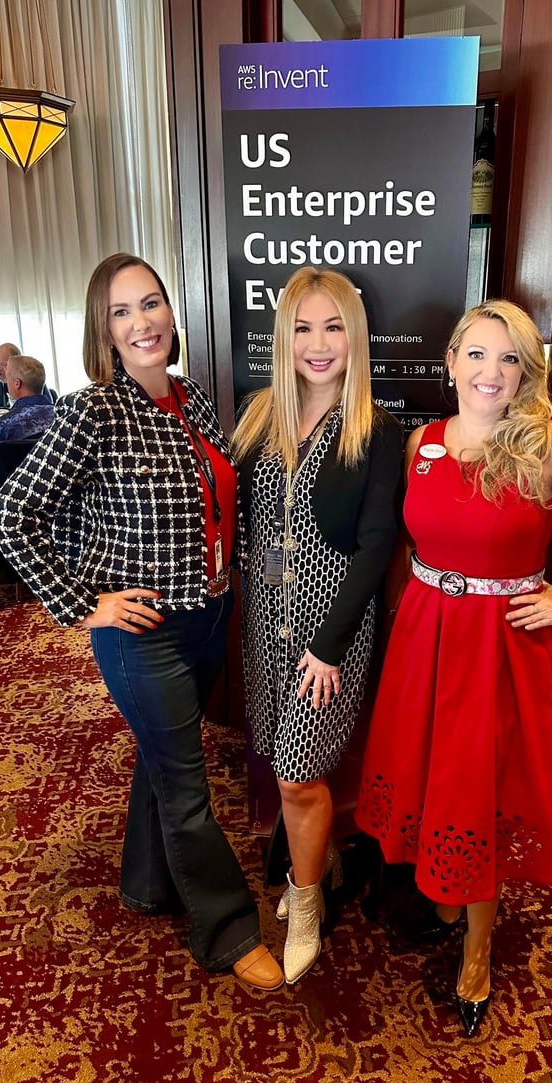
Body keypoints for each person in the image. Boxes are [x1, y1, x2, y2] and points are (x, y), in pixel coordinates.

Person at [355, 299, 552, 1036]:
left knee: (479, 788)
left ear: (527, 373)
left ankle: (478, 952)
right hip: (426, 639)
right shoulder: (422, 442)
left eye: (510, 358)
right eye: (478, 354)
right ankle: (447, 898)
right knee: (435, 777)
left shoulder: (545, 443)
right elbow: (411, 544)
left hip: (504, 649)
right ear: (450, 362)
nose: (491, 372)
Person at [0, 252, 283, 992]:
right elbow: (15, 514)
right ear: (105, 330)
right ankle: (230, 930)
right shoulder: (92, 411)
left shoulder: (193, 399)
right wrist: (84, 605)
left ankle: (148, 882)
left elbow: (222, 506)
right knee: (187, 783)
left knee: (164, 758)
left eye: (150, 303)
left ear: (170, 314)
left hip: (208, 618)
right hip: (140, 635)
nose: (141, 321)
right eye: (121, 312)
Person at [232, 267, 403, 984]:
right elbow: (246, 520)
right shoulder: (258, 413)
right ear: (285, 338)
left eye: (334, 327)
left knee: (299, 774)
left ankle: (304, 905)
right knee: (279, 759)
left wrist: (328, 646)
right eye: (303, 328)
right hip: (264, 620)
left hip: (330, 630)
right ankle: (318, 861)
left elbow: (376, 545)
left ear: (354, 336)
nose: (319, 343)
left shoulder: (377, 428)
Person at [0, 355, 55, 481]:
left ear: (17, 383)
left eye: (8, 378)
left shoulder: (1, 427)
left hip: (14, 490)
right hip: (58, 487)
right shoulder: (63, 416)